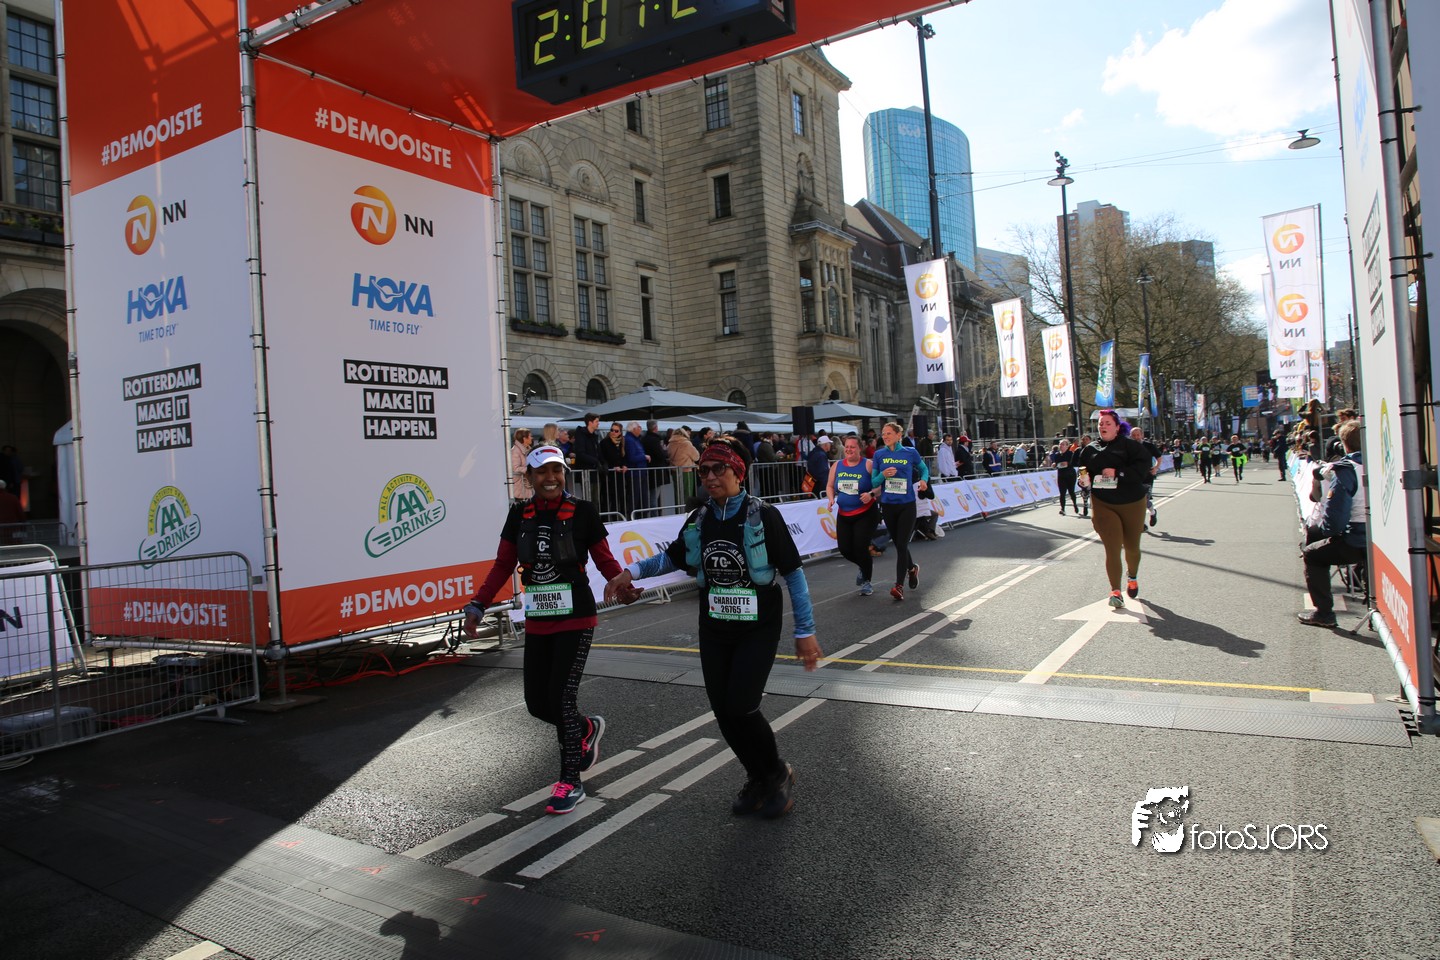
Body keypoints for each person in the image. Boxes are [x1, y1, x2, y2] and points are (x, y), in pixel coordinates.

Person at [604, 438, 821, 818]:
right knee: (723, 711)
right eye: (703, 470)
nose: (708, 476)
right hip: (715, 627)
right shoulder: (700, 518)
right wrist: (629, 573)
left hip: (757, 626)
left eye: (718, 469)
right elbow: (670, 558)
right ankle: (757, 776)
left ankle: (776, 772)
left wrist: (805, 631)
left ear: (739, 472)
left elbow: (793, 574)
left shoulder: (763, 516)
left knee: (742, 706)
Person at [461, 445, 624, 814]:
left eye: (557, 470)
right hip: (539, 620)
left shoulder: (583, 512)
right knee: (538, 703)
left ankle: (571, 782)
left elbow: (604, 558)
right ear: (530, 477)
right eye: (542, 472)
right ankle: (585, 729)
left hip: (576, 618)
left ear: (564, 474)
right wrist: (478, 604)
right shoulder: (518, 515)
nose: (551, 478)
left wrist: (621, 582)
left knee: (562, 698)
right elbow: (502, 565)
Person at [1076, 410, 1153, 608]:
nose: (1103, 426)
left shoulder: (1130, 447)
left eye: (1108, 423)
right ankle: (1115, 591)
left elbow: (1143, 469)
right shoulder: (1089, 450)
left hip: (1132, 502)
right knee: (1112, 548)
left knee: (1132, 547)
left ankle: (1132, 576)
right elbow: (1083, 472)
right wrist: (1083, 481)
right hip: (1103, 502)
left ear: (1117, 427)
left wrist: (1118, 473)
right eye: (1101, 423)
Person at [1298, 421, 1366, 627]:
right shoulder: (1384, 461)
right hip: (1385, 539)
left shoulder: (1346, 470)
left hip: (1357, 539)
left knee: (1312, 553)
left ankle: (1324, 613)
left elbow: (1335, 520)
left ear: (1343, 445)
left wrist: (1326, 532)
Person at [872, 421, 930, 601]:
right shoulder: (879, 454)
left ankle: (898, 586)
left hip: (907, 505)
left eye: (889, 433)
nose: (885, 436)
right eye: (883, 433)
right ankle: (912, 569)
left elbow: (924, 469)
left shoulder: (910, 452)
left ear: (898, 435)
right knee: (899, 544)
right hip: (888, 505)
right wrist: (883, 475)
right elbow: (873, 482)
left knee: (902, 544)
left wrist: (924, 480)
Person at [827, 435, 880, 595]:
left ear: (859, 448)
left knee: (860, 547)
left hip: (866, 513)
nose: (849, 450)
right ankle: (865, 565)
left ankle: (866, 581)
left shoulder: (868, 465)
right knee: (844, 549)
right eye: (847, 447)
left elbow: (881, 485)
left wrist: (871, 494)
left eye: (852, 447)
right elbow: (830, 486)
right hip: (844, 514)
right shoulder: (837, 466)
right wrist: (831, 499)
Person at [1130, 426, 1161, 528]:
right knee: (1135, 501)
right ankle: (1142, 521)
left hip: (1147, 477)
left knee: (1144, 501)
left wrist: (1156, 467)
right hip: (1133, 478)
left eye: (1138, 435)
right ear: (1130, 436)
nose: (1136, 437)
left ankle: (1150, 515)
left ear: (1142, 435)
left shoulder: (1149, 446)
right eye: (1134, 435)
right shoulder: (1128, 447)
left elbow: (1159, 457)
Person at [1053, 438, 1080, 516]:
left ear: (1067, 446)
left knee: (1071, 491)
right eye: (1060, 444)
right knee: (1062, 493)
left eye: (1063, 444)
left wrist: (1068, 463)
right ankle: (1063, 509)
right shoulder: (1057, 455)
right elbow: (1056, 464)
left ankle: (1075, 504)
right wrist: (1054, 465)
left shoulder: (1070, 454)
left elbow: (1074, 463)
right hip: (1061, 475)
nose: (1061, 446)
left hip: (1070, 475)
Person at [509, 427, 534, 500]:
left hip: (526, 487)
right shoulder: (515, 451)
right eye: (530, 436)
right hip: (519, 488)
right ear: (524, 438)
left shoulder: (528, 450)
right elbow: (515, 468)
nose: (532, 438)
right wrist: (529, 469)